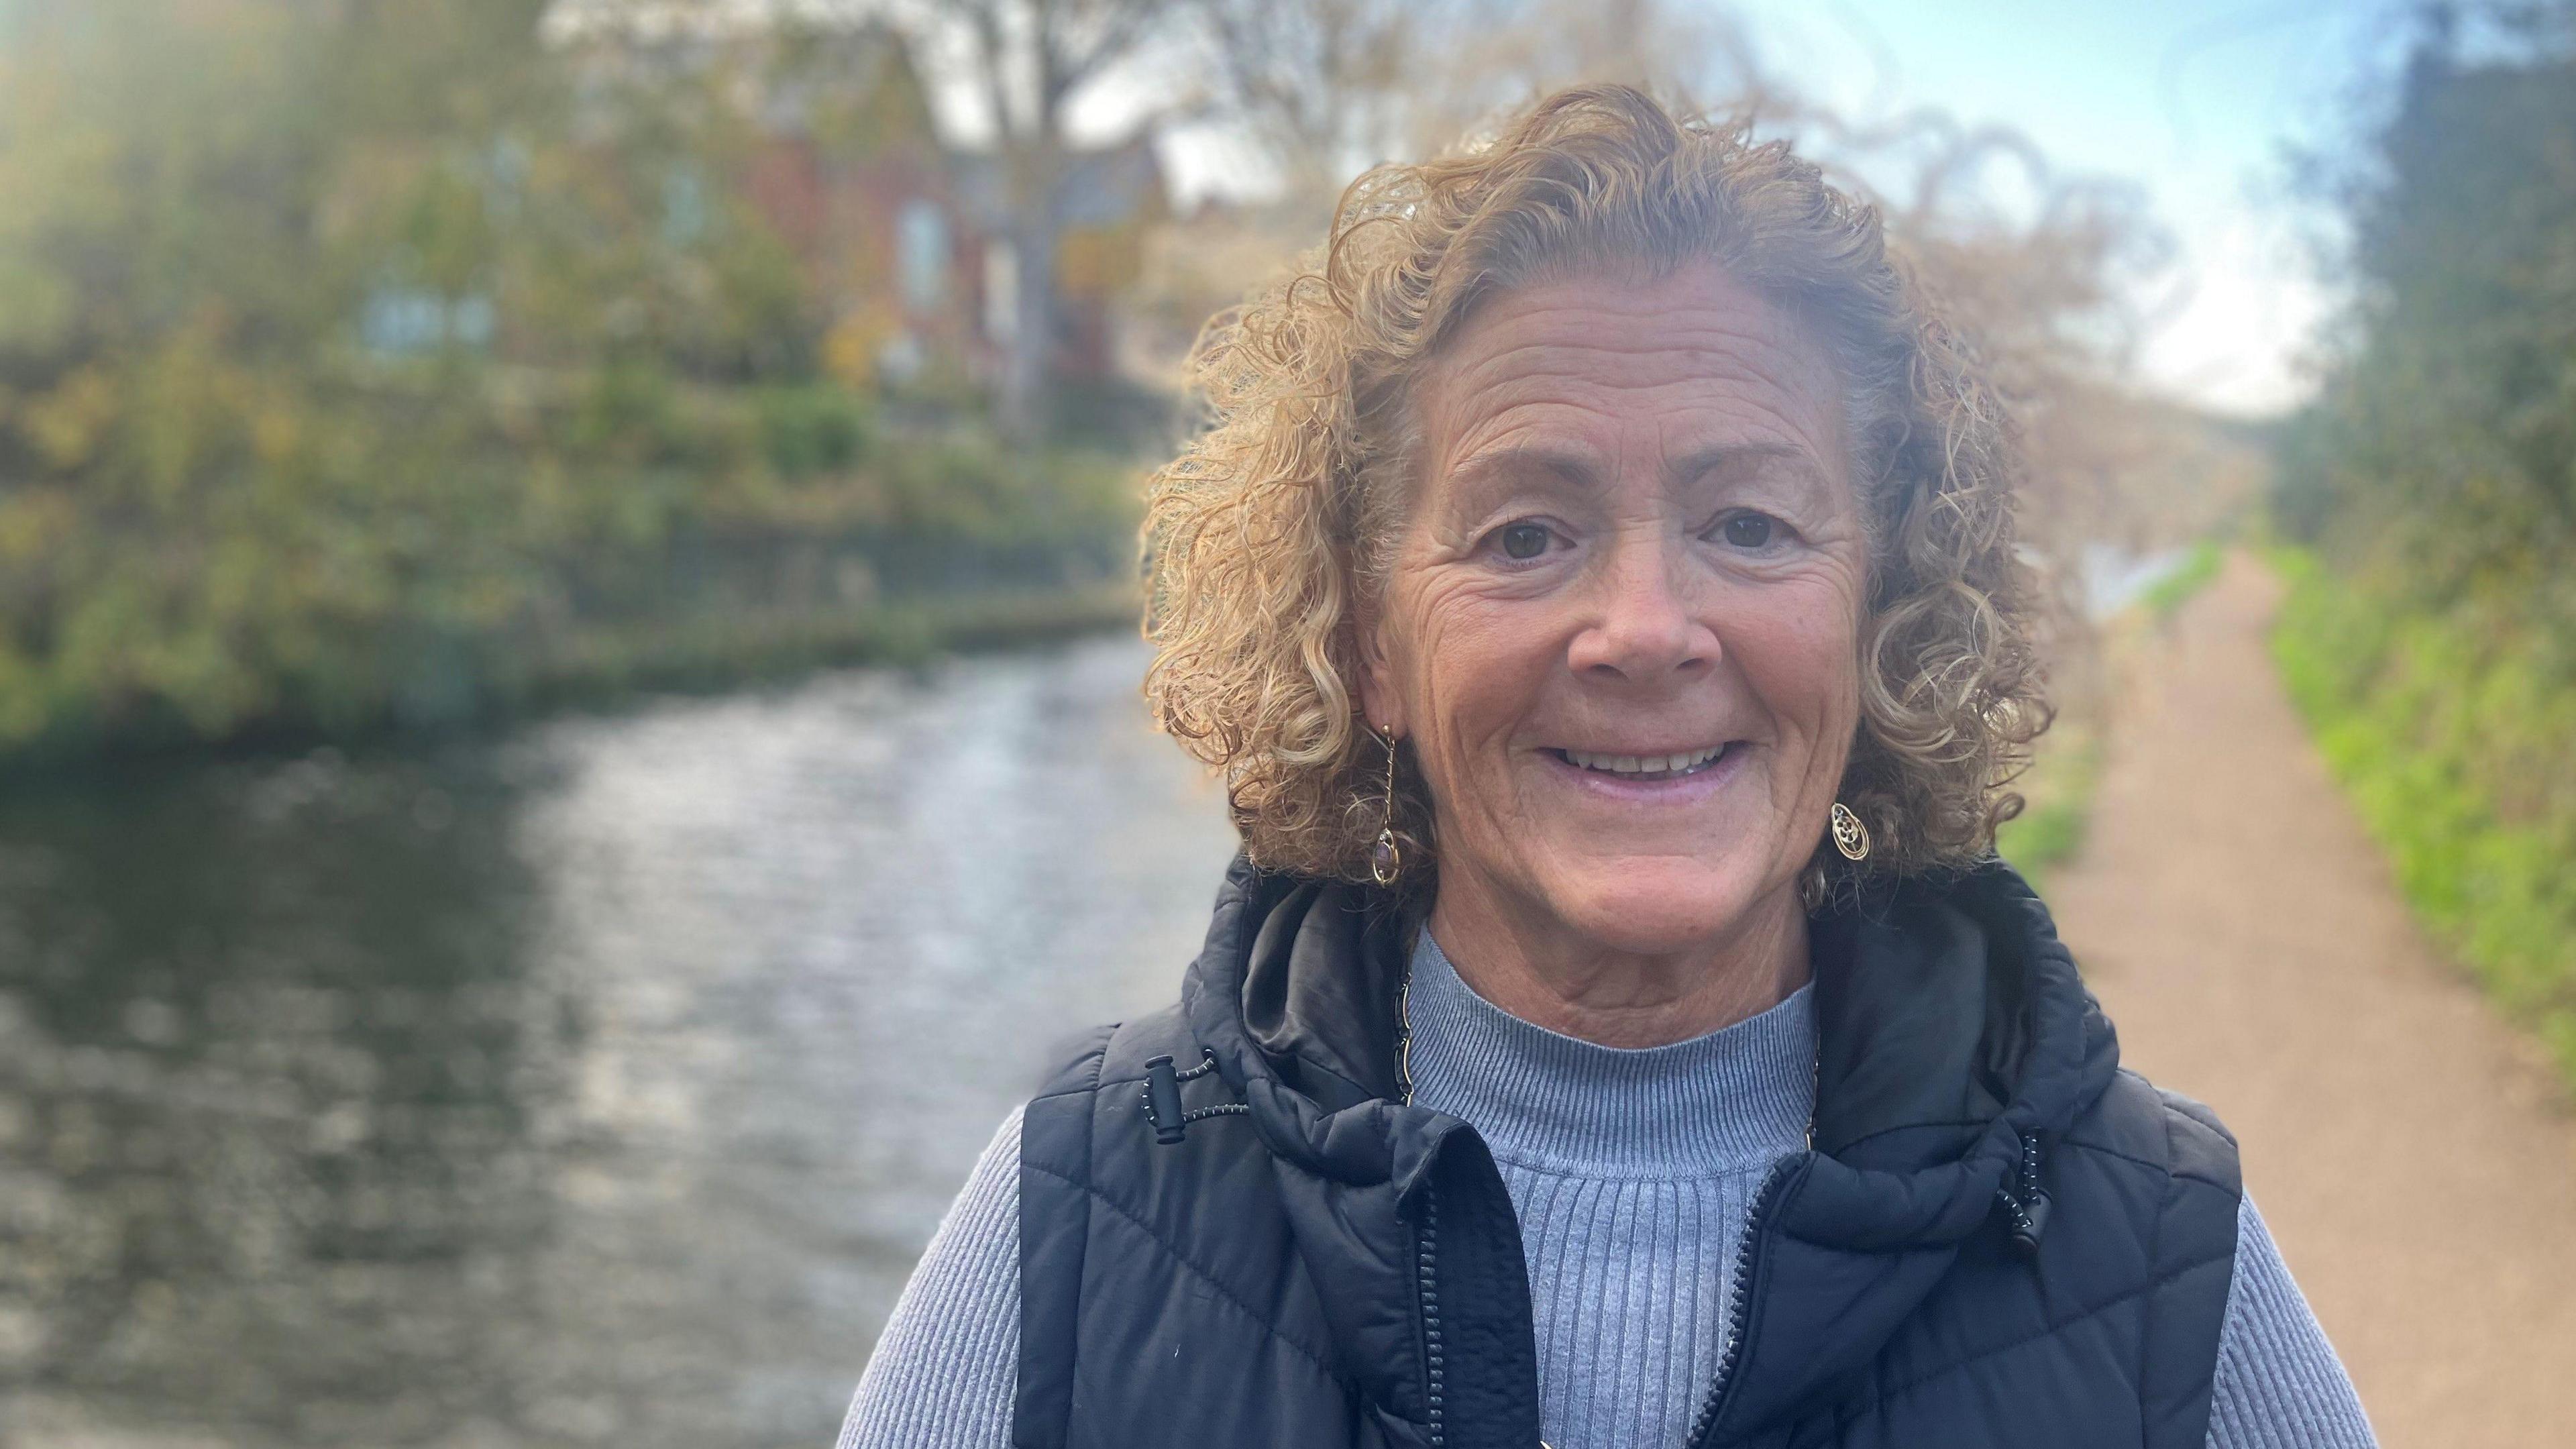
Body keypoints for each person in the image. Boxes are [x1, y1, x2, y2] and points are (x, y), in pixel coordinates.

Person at [839, 85, 2375, 1449]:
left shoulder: (2167, 1265)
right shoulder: (1076, 1222)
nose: (1646, 629)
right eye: (1526, 534)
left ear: (1877, 619)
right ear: (1369, 640)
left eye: (1750, 526)